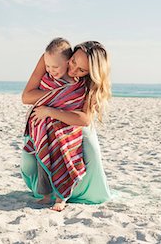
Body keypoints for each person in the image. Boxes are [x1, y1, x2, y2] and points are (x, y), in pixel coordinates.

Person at [22, 40, 112, 211]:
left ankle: (66, 194)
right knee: (30, 163)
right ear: (71, 54)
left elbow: (85, 119)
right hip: (43, 122)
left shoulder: (90, 83)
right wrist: (59, 93)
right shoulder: (53, 57)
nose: (73, 70)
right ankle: (44, 191)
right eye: (73, 62)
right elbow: (26, 97)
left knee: (80, 156)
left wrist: (51, 110)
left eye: (82, 70)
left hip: (72, 122)